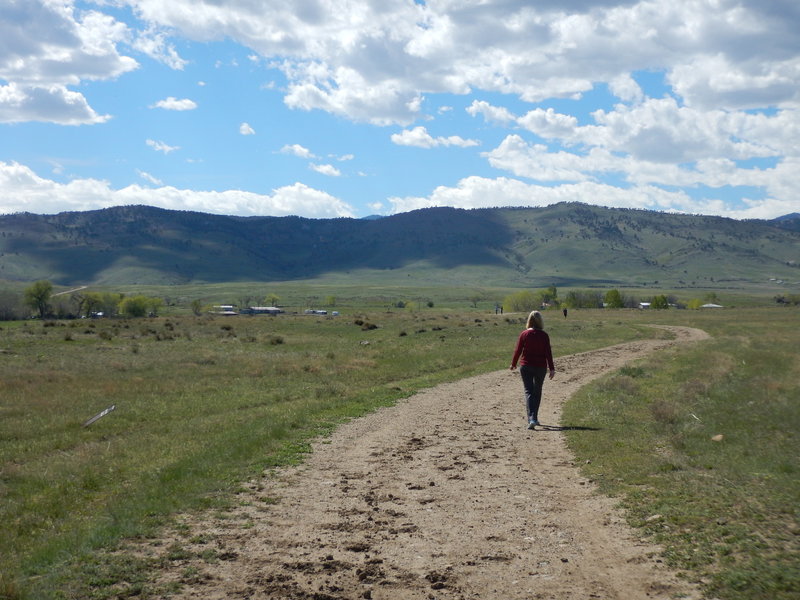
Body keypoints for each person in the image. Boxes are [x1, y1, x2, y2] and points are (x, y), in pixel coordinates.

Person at [510, 310, 555, 429]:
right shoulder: (544, 335)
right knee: (537, 391)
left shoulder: (524, 334)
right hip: (540, 367)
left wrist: (513, 363)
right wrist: (552, 368)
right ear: (540, 321)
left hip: (526, 366)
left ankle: (532, 418)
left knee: (529, 391)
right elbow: (548, 353)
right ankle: (534, 417)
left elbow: (518, 350)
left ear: (529, 320)